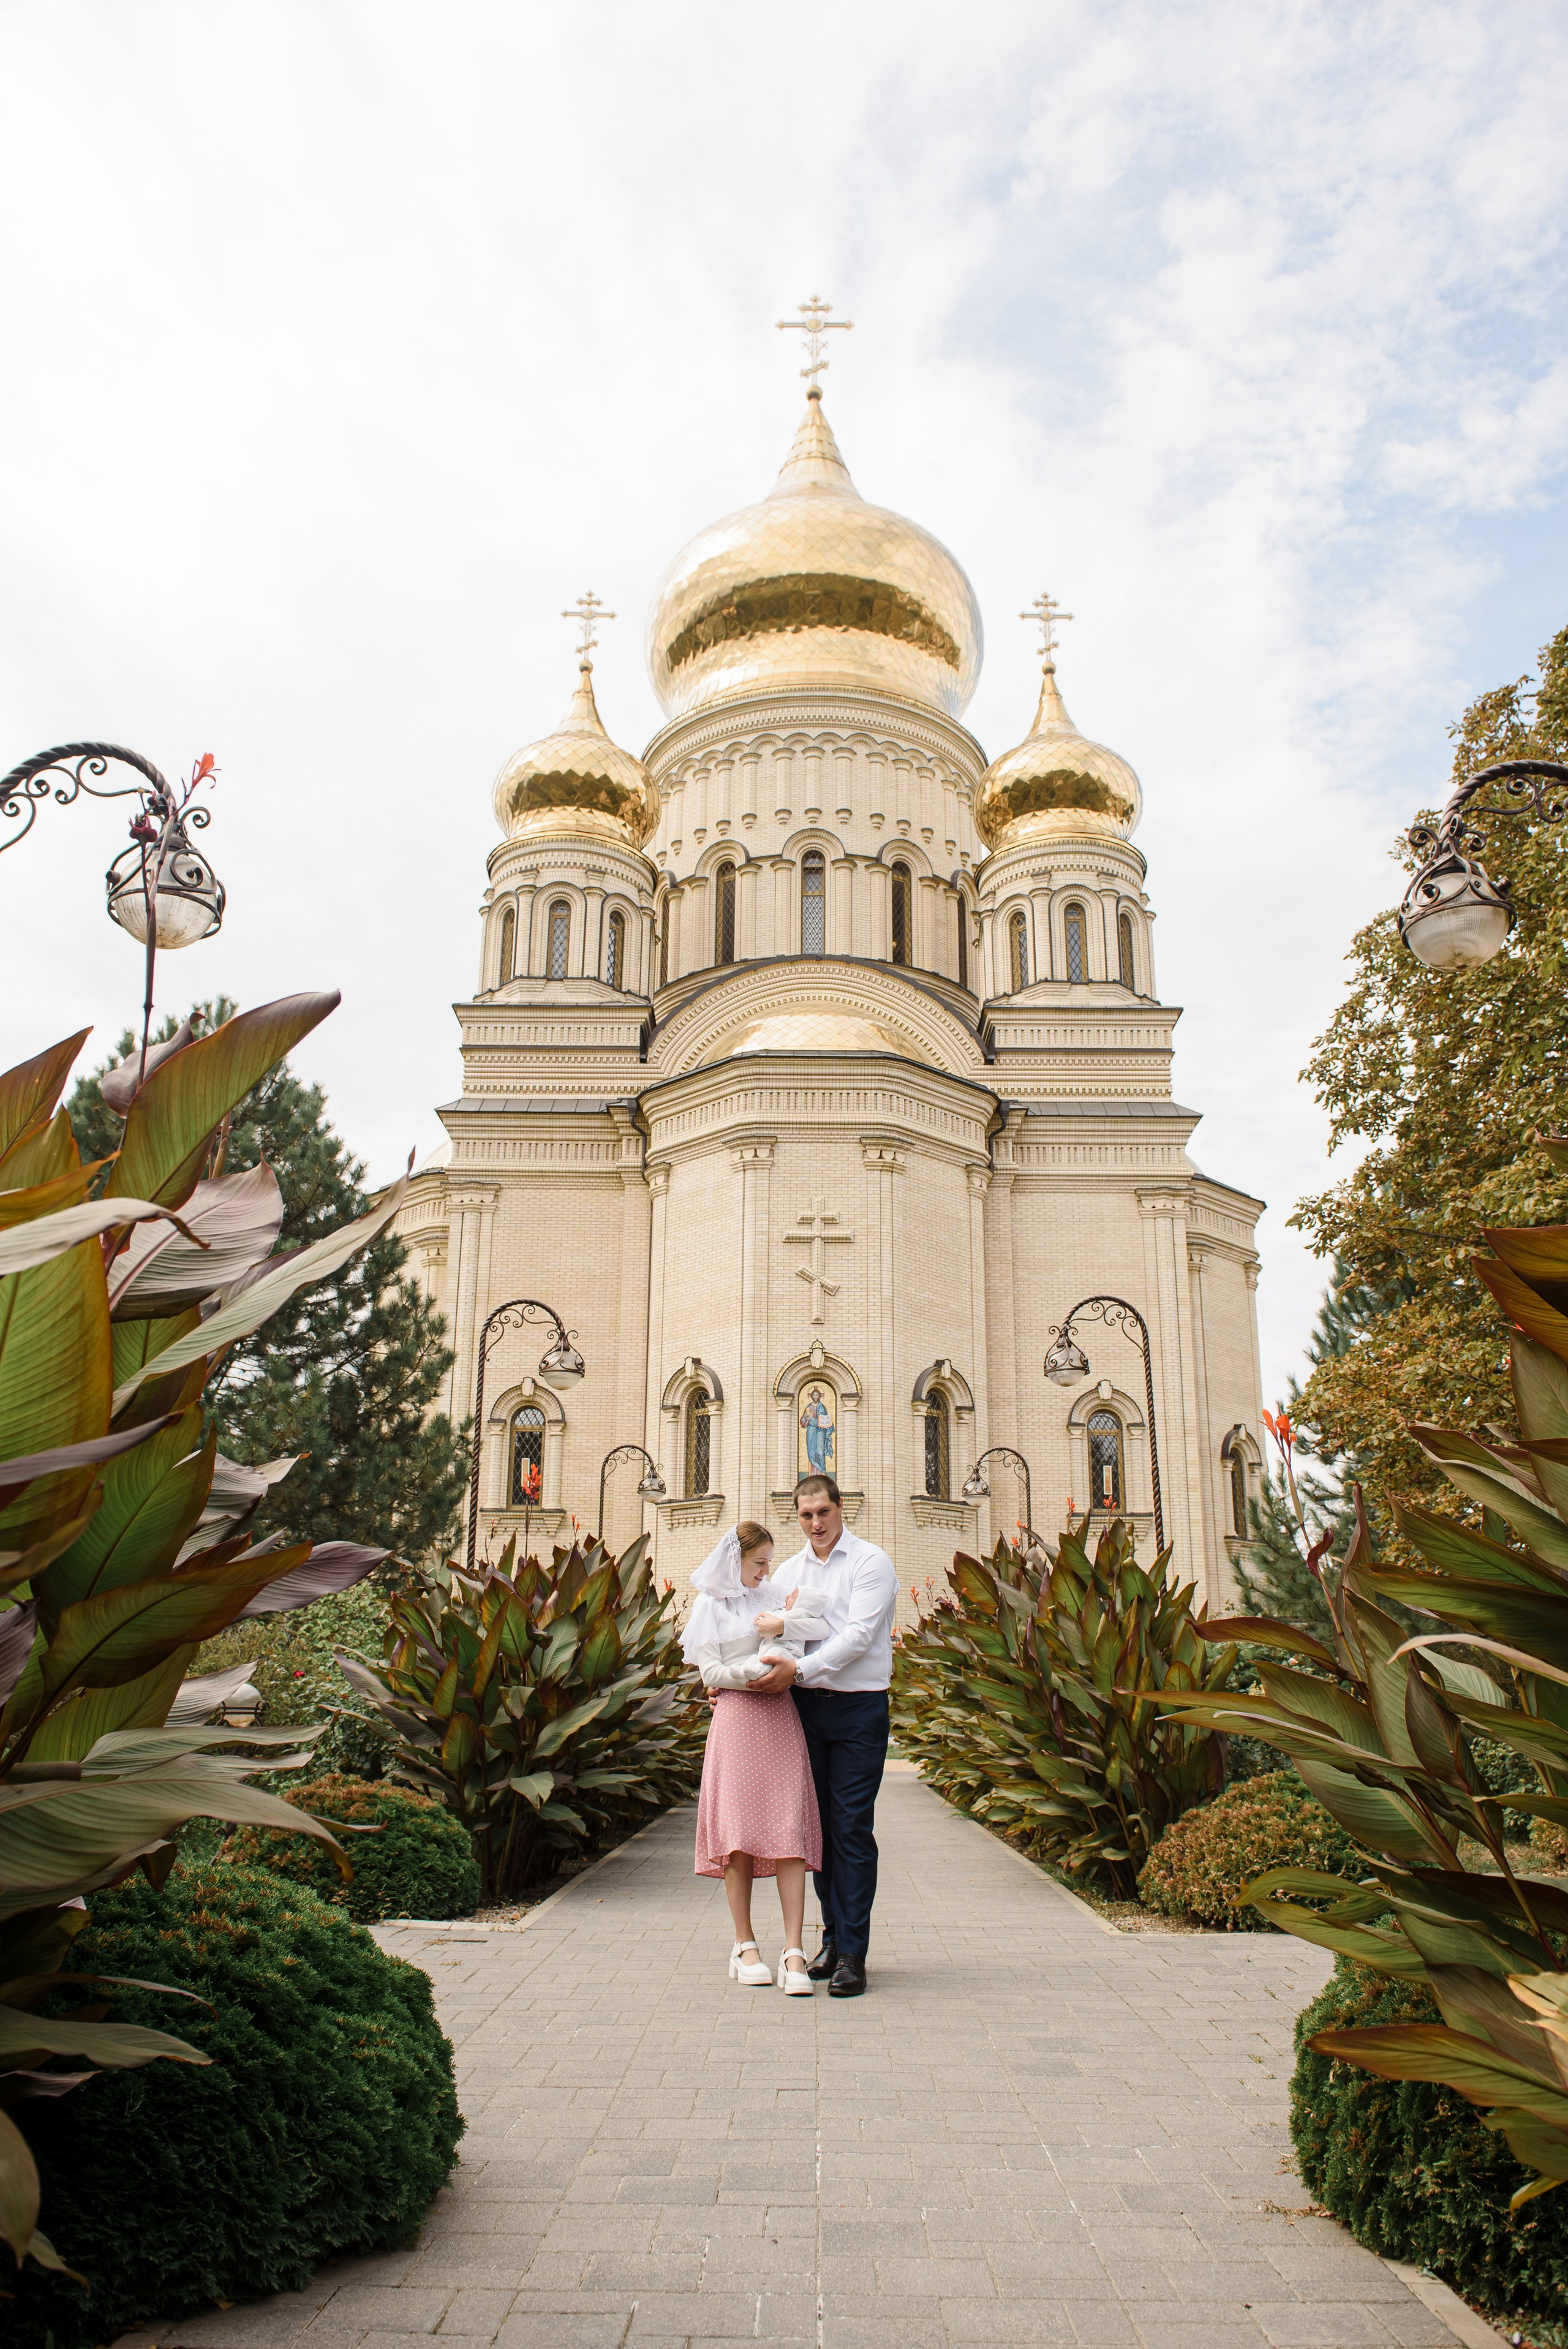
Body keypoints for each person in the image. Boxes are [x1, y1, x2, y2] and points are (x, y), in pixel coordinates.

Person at [745, 1474, 898, 1999]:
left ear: (840, 1507)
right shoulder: (788, 1569)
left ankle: (854, 1953)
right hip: (804, 1710)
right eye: (806, 1515)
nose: (816, 1523)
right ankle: (832, 1940)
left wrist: (800, 1669)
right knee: (817, 1830)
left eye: (823, 1512)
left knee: (851, 1828)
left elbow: (859, 1635)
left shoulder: (870, 1563)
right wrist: (729, 1678)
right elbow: (763, 1629)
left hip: (858, 1710)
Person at [683, 1521, 823, 1994]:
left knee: (788, 1828)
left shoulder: (773, 1594)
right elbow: (711, 1671)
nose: (767, 1571)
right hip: (738, 1718)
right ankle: (744, 1944)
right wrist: (760, 1669)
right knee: (738, 1830)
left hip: (780, 1718)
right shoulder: (709, 1606)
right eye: (759, 1562)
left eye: (769, 1561)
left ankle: (794, 1949)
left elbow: (810, 1628)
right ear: (734, 1561)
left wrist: (785, 1630)